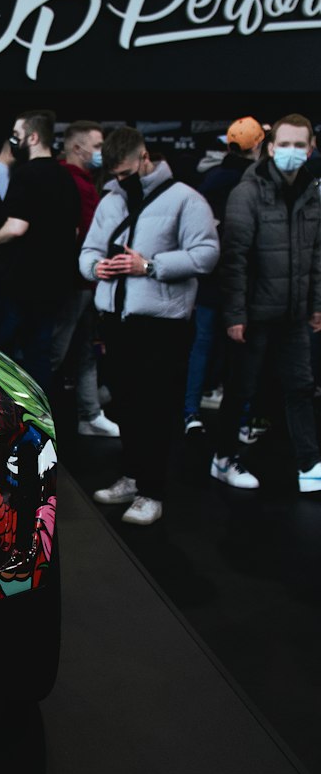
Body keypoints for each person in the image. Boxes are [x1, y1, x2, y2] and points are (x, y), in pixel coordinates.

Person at [80, 126, 219, 526]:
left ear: (144, 158)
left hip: (162, 325)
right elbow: (88, 250)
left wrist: (151, 266)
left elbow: (207, 254)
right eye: (115, 175)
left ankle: (152, 490)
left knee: (155, 408)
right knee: (124, 404)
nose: (121, 181)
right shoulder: (111, 199)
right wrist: (96, 267)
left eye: (126, 173)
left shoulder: (185, 199)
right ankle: (133, 475)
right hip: (116, 320)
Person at [210, 112, 321, 494]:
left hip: (294, 313)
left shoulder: (312, 191)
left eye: (299, 145)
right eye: (285, 144)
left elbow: (318, 252)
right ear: (271, 148)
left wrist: (316, 304)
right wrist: (236, 314)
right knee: (242, 388)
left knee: (300, 387)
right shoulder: (248, 191)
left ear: (311, 148)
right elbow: (235, 257)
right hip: (254, 314)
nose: (292, 151)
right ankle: (223, 459)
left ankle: (310, 464)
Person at [0, 108, 80, 393]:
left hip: (20, 282)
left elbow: (16, 227)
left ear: (33, 137)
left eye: (17, 135)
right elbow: (73, 233)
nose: (13, 140)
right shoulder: (66, 178)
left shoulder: (25, 175)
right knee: (39, 354)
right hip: (54, 284)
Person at [183, 116, 266, 435]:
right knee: (242, 351)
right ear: (258, 145)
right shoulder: (254, 183)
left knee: (203, 345)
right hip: (240, 279)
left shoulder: (210, 178)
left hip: (211, 277)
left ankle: (191, 413)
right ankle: (241, 420)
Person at [51, 119, 119, 437]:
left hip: (90, 283)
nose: (101, 153)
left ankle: (90, 414)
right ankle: (35, 420)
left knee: (85, 352)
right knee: (56, 354)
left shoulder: (87, 181)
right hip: (73, 284)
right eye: (96, 147)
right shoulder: (68, 182)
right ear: (78, 148)